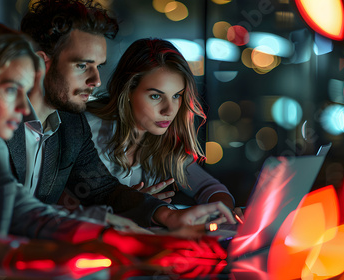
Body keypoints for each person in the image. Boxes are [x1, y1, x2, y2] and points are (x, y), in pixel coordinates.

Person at [0, 23, 195, 268]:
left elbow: (24, 211)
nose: (24, 107)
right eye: (13, 90)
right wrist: (17, 252)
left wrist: (104, 235)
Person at [13, 0, 237, 229]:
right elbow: (20, 214)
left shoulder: (70, 124)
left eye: (98, 67)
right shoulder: (0, 124)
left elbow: (104, 190)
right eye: (82, 66)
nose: (97, 81)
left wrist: (166, 215)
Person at [86, 38, 241, 216]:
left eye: (176, 96)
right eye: (155, 96)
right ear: (128, 90)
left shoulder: (165, 143)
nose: (169, 110)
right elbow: (58, 207)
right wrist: (128, 206)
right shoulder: (86, 128)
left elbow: (210, 188)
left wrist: (223, 214)